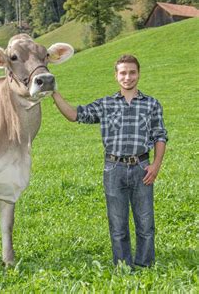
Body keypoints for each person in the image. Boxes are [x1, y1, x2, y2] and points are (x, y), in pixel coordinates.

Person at [51, 54, 167, 268]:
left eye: (132, 72)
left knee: (145, 222)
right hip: (114, 168)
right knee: (117, 224)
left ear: (138, 74)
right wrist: (54, 93)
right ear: (116, 76)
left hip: (143, 167)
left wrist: (156, 164)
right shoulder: (105, 104)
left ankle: (145, 264)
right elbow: (75, 115)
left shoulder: (151, 104)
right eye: (123, 72)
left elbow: (160, 135)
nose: (128, 77)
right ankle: (123, 266)